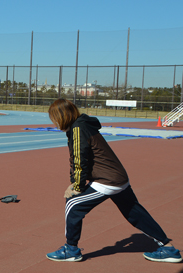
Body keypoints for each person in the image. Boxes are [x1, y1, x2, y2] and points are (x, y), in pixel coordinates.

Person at [45, 98, 181, 263]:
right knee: (134, 212)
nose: (54, 123)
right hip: (119, 177)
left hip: (107, 181)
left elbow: (80, 160)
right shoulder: (84, 125)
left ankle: (71, 249)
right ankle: (167, 248)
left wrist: (76, 186)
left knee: (73, 205)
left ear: (61, 116)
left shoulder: (78, 129)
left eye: (54, 119)